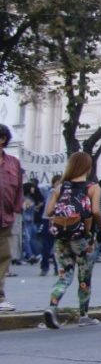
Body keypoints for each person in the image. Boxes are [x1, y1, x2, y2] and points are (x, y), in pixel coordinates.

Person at [41, 151, 101, 328]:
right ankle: (84, 315)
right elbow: (96, 211)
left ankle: (52, 307)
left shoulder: (60, 187)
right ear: (87, 167)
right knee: (84, 277)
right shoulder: (92, 187)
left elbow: (49, 212)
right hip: (83, 237)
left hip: (61, 236)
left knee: (64, 275)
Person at [0, 124, 22, 311]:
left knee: (3, 256)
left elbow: (18, 189)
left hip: (5, 217)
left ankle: (0, 296)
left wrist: (15, 210)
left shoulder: (13, 162)